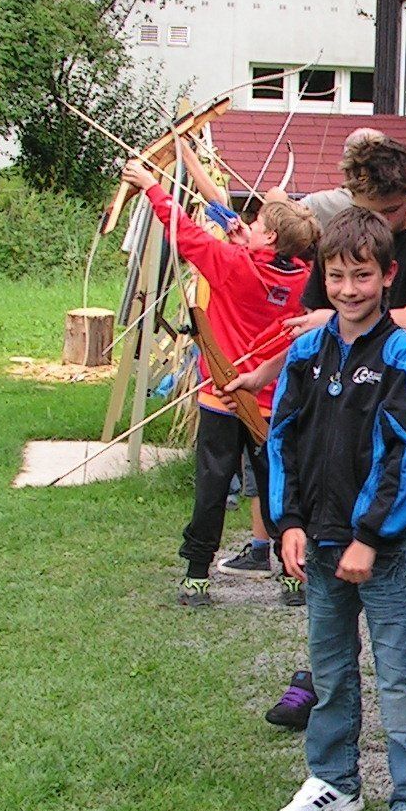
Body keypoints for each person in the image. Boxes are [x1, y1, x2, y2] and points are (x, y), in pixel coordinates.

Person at [248, 132, 406, 725]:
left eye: (393, 211)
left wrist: (333, 314)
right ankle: (327, 674)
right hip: (345, 420)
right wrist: (263, 374)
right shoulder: (342, 242)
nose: (383, 223)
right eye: (370, 210)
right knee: (333, 541)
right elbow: (313, 334)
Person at [262, 206, 406, 811]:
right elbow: (283, 439)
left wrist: (370, 535)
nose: (348, 289)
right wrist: (288, 521)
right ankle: (335, 781)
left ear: (387, 276)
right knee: (332, 672)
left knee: (400, 679)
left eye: (362, 276)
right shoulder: (306, 353)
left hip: (379, 553)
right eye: (336, 276)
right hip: (318, 544)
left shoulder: (403, 356)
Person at [122, 156, 317, 608]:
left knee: (212, 488)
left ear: (270, 237)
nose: (248, 224)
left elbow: (183, 231)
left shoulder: (232, 264)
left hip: (222, 397)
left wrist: (151, 184)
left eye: (258, 222)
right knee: (277, 487)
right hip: (273, 402)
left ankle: (196, 577)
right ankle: (293, 577)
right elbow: (264, 259)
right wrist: (247, 243)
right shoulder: (304, 278)